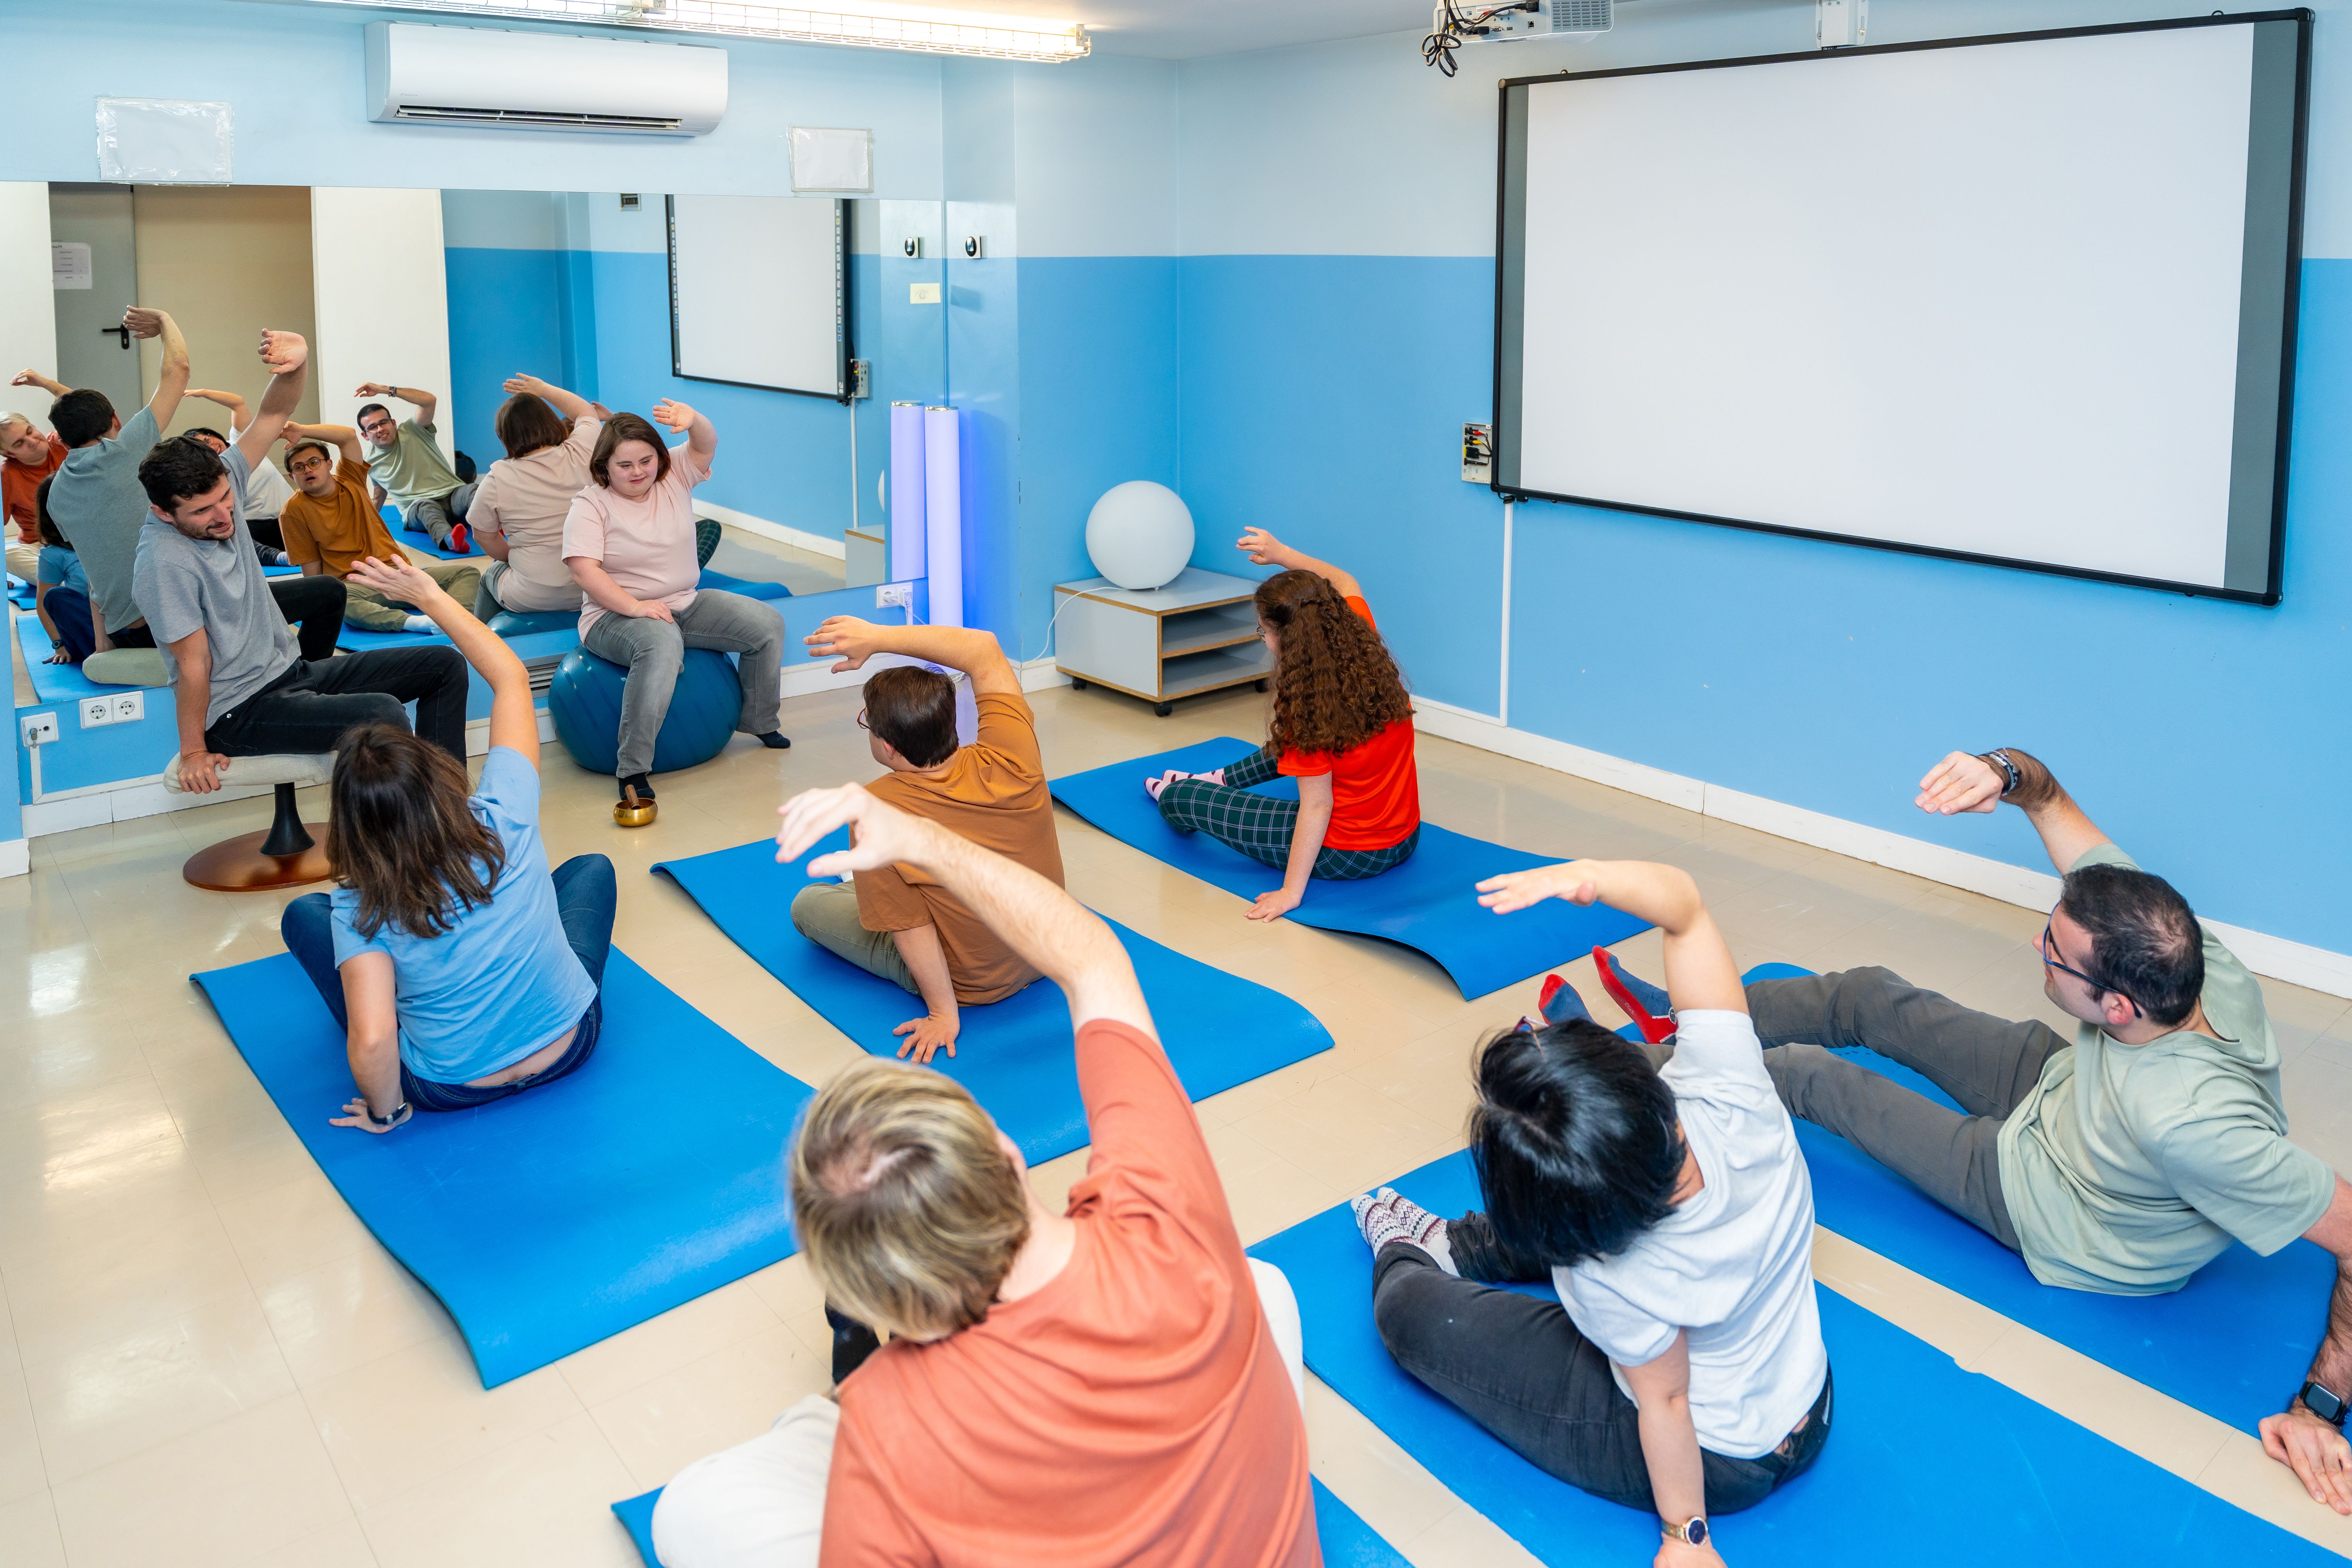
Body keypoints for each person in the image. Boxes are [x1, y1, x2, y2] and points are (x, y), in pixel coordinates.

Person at [646, 781, 1318, 1567]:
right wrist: (921, 839)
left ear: (879, 1296)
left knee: (691, 1508)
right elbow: (1092, 959)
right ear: (1007, 1151)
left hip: (919, 1417)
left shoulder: (887, 1422)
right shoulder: (1169, 1217)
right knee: (1260, 1281)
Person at [1671, 746, 2352, 1515]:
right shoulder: (2177, 946)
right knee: (1868, 996)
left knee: (1804, 1075)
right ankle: (1698, 1019)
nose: (2038, 946)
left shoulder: (2195, 1124)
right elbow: (2049, 794)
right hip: (2071, 1090)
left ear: (2117, 1005)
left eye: (2054, 952)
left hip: (2055, 1202)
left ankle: (1635, 1079)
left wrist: (2320, 1406)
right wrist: (2003, 771)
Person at [1355, 857, 1832, 1564]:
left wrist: (1687, 1537)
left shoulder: (1609, 1273)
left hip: (1721, 1458)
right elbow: (1687, 909)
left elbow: (1667, 1403)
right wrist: (1592, 877)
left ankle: (1412, 1247)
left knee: (1410, 1319)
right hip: (1812, 1403)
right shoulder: (1731, 1082)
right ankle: (1466, 1242)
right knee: (1571, 1209)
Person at [279, 554, 614, 1131]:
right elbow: (509, 677)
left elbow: (377, 1037)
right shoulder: (505, 813)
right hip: (571, 1047)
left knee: (304, 913)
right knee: (592, 869)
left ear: (352, 820)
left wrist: (387, 1113)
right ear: (438, 777)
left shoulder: (359, 904)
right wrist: (429, 596)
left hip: (451, 1087)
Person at [128, 329, 469, 795]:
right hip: (239, 711)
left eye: (226, 499)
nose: (223, 515)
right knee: (383, 714)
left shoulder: (222, 477)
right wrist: (193, 752)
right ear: (163, 513)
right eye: (202, 512)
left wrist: (298, 362)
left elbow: (274, 412)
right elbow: (192, 664)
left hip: (289, 673)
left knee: (444, 666)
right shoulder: (163, 562)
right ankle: (416, 834)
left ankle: (449, 798)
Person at [788, 617, 1065, 1063]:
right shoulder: (1015, 753)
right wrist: (878, 638)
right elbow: (984, 649)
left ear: (890, 748)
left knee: (808, 903)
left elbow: (910, 928)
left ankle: (866, 881)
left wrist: (943, 1014)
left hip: (979, 982)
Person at [1149, 526, 1419, 922]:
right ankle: (1219, 778)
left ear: (1288, 638)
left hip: (1349, 853)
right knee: (1289, 748)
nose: (1262, 638)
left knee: (1180, 799)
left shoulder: (1307, 706)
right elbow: (1345, 581)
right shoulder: (1361, 636)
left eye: (1264, 630)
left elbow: (1318, 804)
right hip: (1406, 837)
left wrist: (1291, 892)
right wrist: (1282, 553)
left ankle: (1192, 788)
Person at [42, 312, 342, 663]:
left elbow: (97, 568)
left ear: (61, 441)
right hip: (193, 622)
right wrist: (165, 322)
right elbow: (182, 371)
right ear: (117, 422)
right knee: (330, 593)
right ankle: (305, 673)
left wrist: (102, 644)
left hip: (128, 631)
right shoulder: (133, 450)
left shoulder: (57, 495)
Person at [562, 403, 788, 827]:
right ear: (604, 466)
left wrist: (696, 419)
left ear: (659, 458)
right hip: (613, 617)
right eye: (625, 464)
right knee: (663, 645)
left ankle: (758, 720)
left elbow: (707, 444)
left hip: (685, 601)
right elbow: (583, 570)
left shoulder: (675, 476)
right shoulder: (590, 504)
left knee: (767, 625)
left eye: (646, 460)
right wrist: (634, 607)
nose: (638, 471)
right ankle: (632, 768)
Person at [276, 420, 483, 632]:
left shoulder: (351, 480)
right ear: (292, 477)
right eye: (299, 468)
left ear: (329, 465)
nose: (308, 470)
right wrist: (325, 600)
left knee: (467, 573)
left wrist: (304, 430)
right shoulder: (293, 512)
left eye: (314, 463)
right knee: (342, 602)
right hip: (356, 584)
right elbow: (314, 576)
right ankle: (419, 624)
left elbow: (347, 436)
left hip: (399, 573)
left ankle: (458, 619)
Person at [472, 373, 602, 617]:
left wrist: (511, 557)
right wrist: (542, 389)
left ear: (504, 436)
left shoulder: (496, 478)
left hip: (532, 594)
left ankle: (477, 649)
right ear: (552, 422)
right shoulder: (581, 450)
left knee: (491, 574)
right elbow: (586, 412)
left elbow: (483, 537)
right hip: (593, 587)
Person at [353, 382, 474, 551]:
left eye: (384, 422)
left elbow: (429, 401)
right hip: (418, 508)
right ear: (365, 435)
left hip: (453, 496)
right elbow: (379, 495)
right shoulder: (368, 461)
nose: (380, 429)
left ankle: (505, 526)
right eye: (373, 427)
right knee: (426, 507)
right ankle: (452, 541)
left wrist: (383, 390)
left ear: (393, 423)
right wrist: (364, 527)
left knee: (473, 491)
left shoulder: (414, 430)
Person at [183, 385, 294, 553]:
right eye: (205, 448)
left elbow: (238, 403)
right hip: (258, 527)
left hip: (292, 516)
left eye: (208, 439)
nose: (213, 446)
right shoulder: (210, 472)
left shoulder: (241, 443)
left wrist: (204, 393)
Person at [2, 386, 69, 584]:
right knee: (8, 554)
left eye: (30, 431)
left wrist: (44, 383)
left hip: (85, 536)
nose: (32, 441)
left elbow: (91, 413)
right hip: (42, 546)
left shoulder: (61, 442)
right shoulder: (7, 475)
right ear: (10, 455)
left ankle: (69, 582)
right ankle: (72, 584)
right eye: (19, 443)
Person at [31, 478, 94, 665]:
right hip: (87, 626)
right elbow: (44, 603)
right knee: (56, 596)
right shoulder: (54, 554)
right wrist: (60, 645)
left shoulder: (107, 533)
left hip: (125, 620)